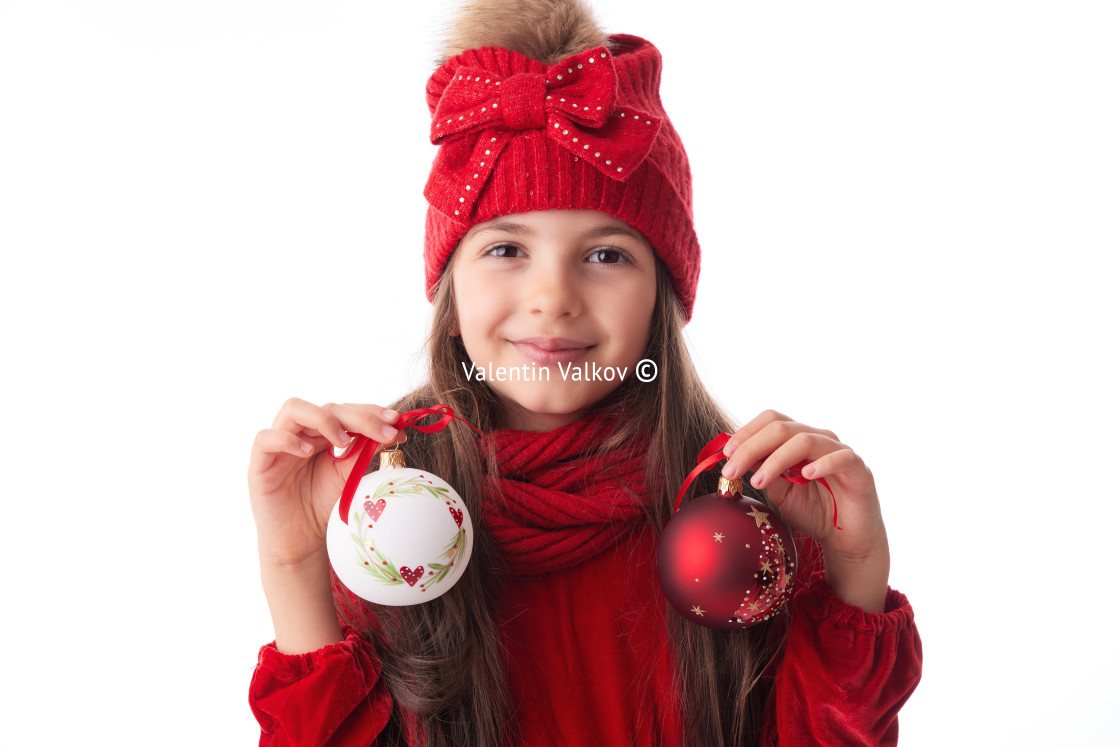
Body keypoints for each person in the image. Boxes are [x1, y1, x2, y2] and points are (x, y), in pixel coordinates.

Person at [247, 1, 922, 744]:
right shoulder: (388, 517)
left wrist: (855, 568)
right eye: (505, 249)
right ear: (450, 286)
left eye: (606, 255)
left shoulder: (752, 517)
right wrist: (294, 561)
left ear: (663, 295)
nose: (552, 299)